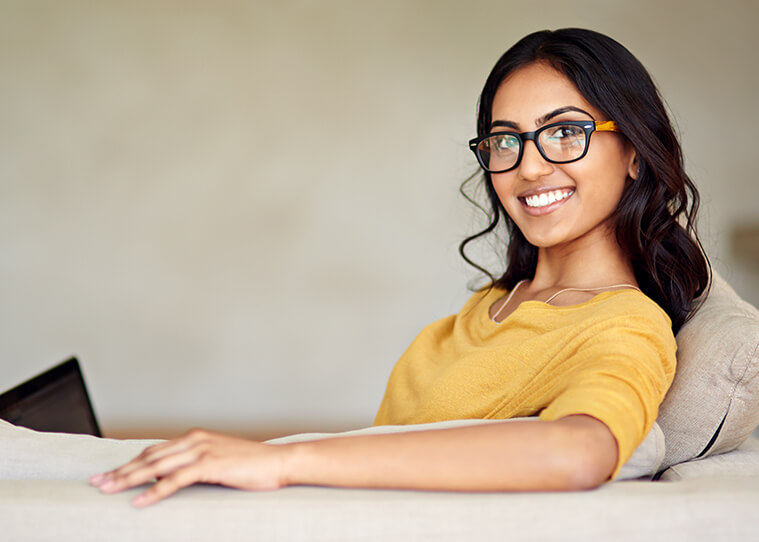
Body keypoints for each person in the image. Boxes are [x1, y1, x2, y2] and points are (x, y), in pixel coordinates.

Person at [90, 28, 710, 507]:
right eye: (505, 140)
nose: (529, 167)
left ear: (632, 151)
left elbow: (578, 452)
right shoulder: (500, 302)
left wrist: (283, 462)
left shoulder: (623, 324)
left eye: (564, 132)